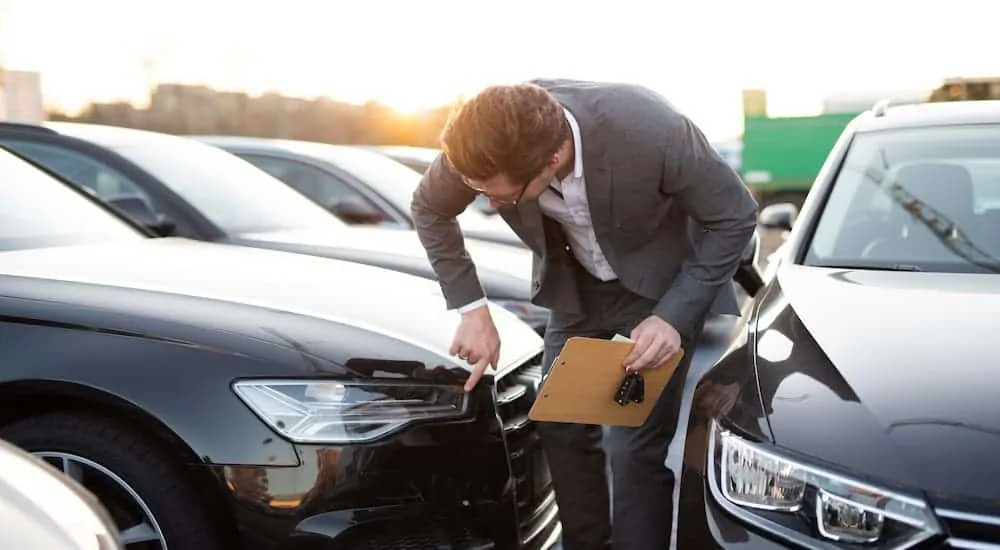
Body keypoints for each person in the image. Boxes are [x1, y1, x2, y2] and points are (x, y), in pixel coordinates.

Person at [410, 78, 758, 550]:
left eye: (501, 197)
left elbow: (735, 215)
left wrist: (673, 318)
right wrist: (473, 310)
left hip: (658, 294)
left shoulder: (653, 130)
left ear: (551, 160)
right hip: (576, 292)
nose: (488, 204)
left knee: (632, 446)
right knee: (560, 421)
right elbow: (430, 207)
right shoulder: (485, 144)